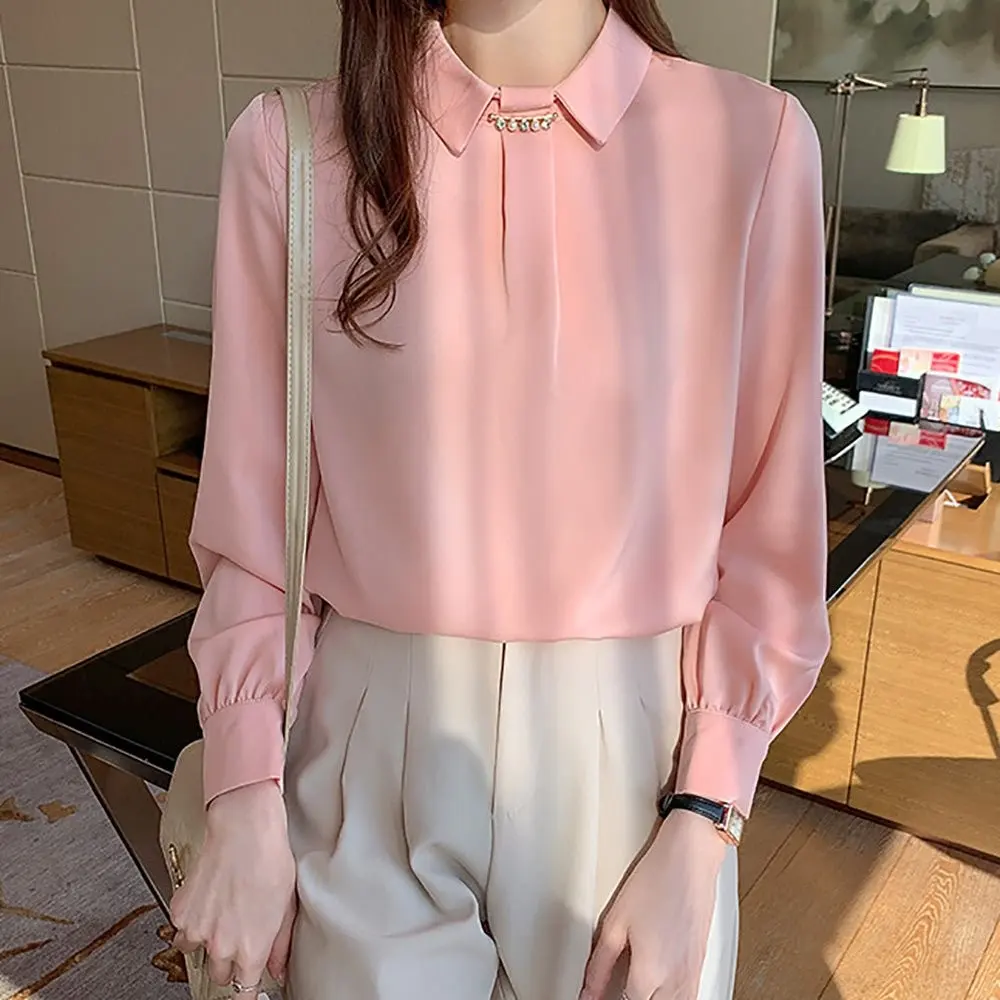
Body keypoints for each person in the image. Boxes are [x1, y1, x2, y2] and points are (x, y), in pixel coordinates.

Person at [169, 0, 831, 998]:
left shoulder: (753, 141)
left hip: (634, 763)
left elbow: (770, 532)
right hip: (366, 739)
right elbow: (257, 520)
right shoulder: (291, 148)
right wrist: (241, 792)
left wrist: (704, 818)